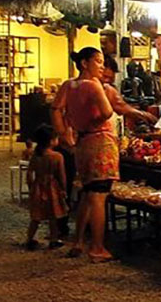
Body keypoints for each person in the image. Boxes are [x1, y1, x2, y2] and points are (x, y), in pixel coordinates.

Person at [52, 47, 117, 261]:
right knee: (98, 195)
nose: (102, 66)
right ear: (84, 63)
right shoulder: (93, 85)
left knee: (87, 194)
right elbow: (107, 111)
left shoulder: (68, 85)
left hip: (81, 142)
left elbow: (56, 109)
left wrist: (63, 133)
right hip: (100, 142)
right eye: (98, 61)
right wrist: (96, 123)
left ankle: (79, 242)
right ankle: (97, 247)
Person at [25, 126, 68, 250]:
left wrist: (31, 186)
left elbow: (29, 173)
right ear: (51, 141)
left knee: (36, 217)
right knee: (53, 215)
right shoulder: (57, 156)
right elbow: (62, 175)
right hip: (52, 188)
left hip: (38, 186)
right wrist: (63, 189)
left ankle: (30, 239)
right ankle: (54, 239)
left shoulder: (35, 155)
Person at [101, 56, 157, 133]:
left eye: (111, 79)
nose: (109, 81)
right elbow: (120, 105)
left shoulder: (137, 81)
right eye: (106, 77)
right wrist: (142, 114)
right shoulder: (96, 87)